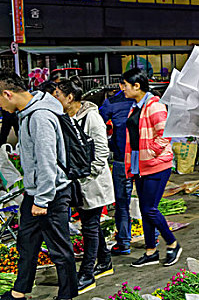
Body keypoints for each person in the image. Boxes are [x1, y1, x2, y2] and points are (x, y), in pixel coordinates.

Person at [0, 70, 77, 300]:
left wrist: (42, 199)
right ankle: (19, 292)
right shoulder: (27, 113)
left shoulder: (40, 117)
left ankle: (66, 296)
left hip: (51, 193)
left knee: (59, 250)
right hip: (36, 192)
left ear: (7, 93)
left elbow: (47, 162)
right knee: (27, 242)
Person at [55, 79, 115, 294]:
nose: (54, 99)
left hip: (92, 183)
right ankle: (105, 260)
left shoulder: (92, 118)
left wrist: (83, 177)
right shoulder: (66, 118)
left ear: (69, 98)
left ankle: (87, 274)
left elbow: (100, 156)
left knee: (89, 228)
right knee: (91, 225)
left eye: (57, 95)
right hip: (77, 184)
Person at [122, 68, 181, 267]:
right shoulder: (136, 106)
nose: (123, 89)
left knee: (150, 209)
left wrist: (152, 152)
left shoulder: (154, 106)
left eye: (125, 85)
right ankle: (151, 251)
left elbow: (165, 133)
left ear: (137, 86)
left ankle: (172, 243)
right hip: (141, 165)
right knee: (144, 209)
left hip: (156, 165)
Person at [99, 82, 135, 255]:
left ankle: (125, 242)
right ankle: (127, 241)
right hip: (131, 159)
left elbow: (98, 124)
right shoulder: (148, 100)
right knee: (128, 203)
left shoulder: (113, 102)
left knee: (124, 203)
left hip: (131, 159)